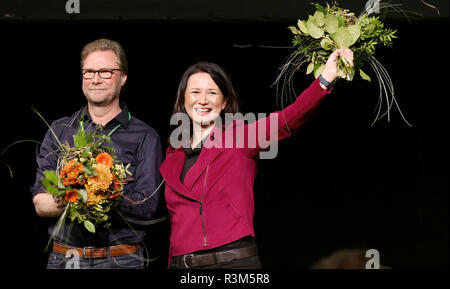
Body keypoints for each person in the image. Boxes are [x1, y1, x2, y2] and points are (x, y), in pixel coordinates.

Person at [160, 49, 354, 269]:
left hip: (233, 262)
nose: (203, 100)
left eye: (212, 93)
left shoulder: (240, 137)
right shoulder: (172, 155)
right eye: (195, 92)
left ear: (224, 102)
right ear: (183, 99)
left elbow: (288, 119)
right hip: (182, 265)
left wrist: (325, 79)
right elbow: (177, 226)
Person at [31, 39, 163, 269]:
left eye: (105, 71)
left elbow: (148, 206)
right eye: (89, 72)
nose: (95, 79)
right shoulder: (61, 129)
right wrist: (77, 197)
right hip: (66, 258)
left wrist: (105, 192)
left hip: (122, 259)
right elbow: (41, 203)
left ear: (123, 78)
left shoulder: (145, 135)